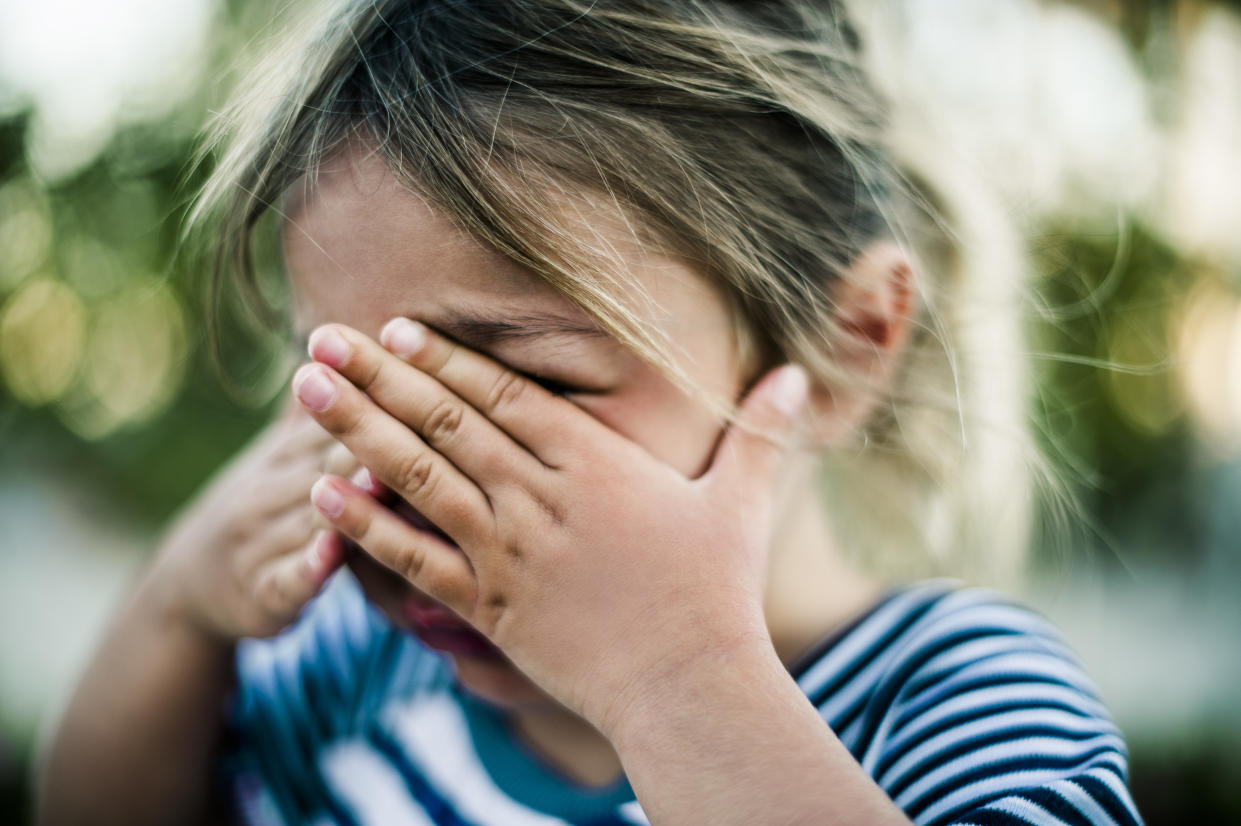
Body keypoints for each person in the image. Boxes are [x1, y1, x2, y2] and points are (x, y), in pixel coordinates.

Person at [36, 1, 1144, 824]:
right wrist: (179, 605)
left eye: (529, 391)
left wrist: (671, 679)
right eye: (354, 395)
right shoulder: (351, 667)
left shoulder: (951, 704)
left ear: (849, 339)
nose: (401, 474)